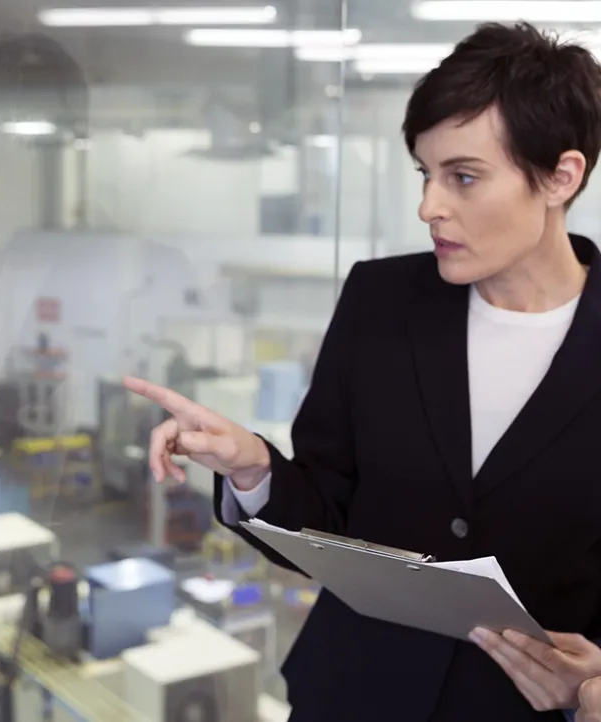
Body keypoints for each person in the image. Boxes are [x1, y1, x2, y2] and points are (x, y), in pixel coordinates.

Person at [125, 21, 601, 722]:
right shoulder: (382, 302)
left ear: (561, 176)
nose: (429, 207)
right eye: (426, 173)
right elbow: (330, 519)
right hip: (349, 696)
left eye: (463, 177)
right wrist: (256, 468)